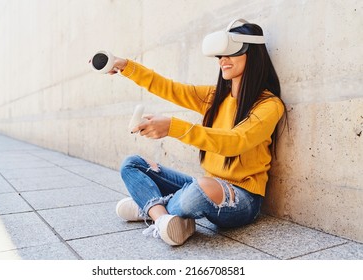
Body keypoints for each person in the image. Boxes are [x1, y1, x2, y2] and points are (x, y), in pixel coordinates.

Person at [108, 19, 287, 246]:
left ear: (253, 54)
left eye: (231, 52)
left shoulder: (269, 105)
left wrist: (173, 127)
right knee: (131, 164)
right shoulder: (215, 97)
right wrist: (126, 66)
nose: (223, 60)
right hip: (209, 185)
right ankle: (163, 217)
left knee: (197, 191)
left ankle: (152, 207)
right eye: (220, 55)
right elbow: (170, 88)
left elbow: (237, 142)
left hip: (243, 199)